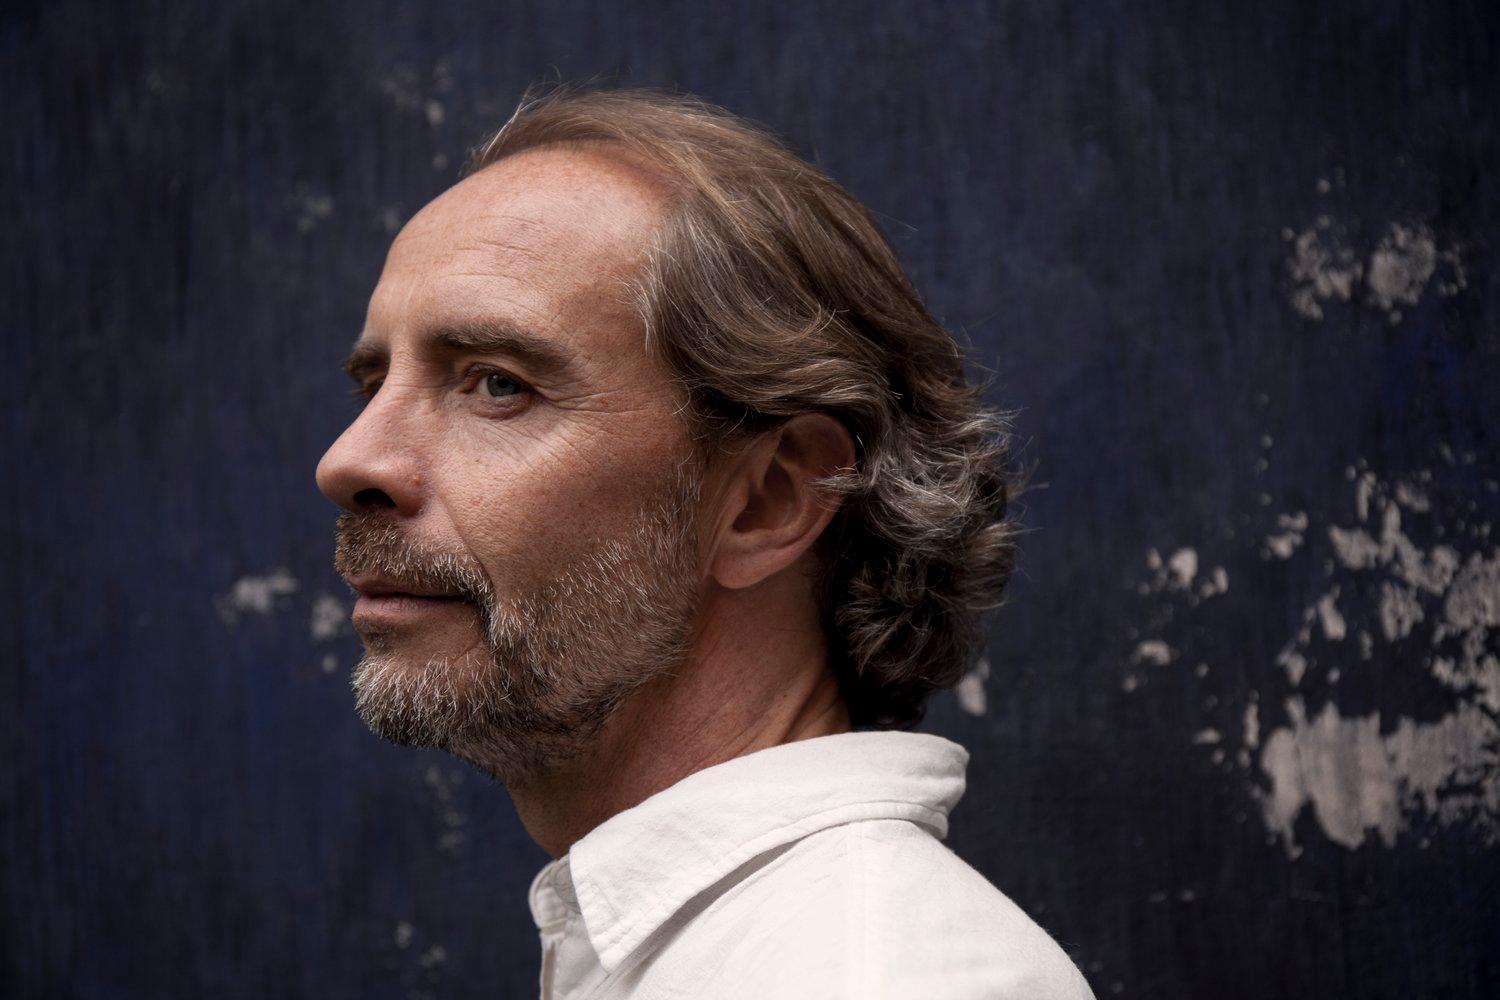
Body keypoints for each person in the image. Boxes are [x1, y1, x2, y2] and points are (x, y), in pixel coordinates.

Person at [315, 84, 1094, 1000]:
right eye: (375, 383)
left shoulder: (886, 978)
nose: (349, 459)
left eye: (496, 384)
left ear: (768, 499)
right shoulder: (725, 953)